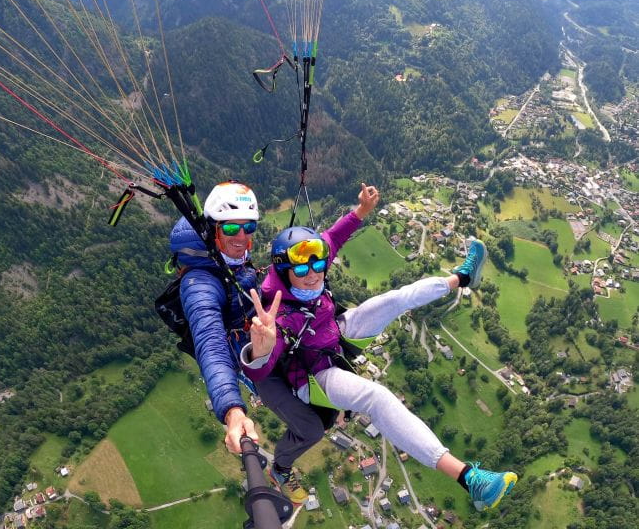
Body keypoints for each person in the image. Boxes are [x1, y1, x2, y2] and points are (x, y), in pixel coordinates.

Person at [241, 190, 517, 511]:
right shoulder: (279, 315)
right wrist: (261, 350)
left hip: (332, 335)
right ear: (285, 273)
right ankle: (470, 479)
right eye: (301, 271)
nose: (313, 273)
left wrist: (360, 211)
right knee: (377, 397)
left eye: (318, 264)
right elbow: (262, 372)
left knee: (395, 300)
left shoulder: (310, 260)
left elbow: (333, 238)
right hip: (315, 376)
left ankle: (463, 277)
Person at [169, 180, 262, 453]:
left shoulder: (227, 258)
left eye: (249, 227)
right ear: (212, 230)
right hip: (243, 353)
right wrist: (233, 410)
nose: (242, 236)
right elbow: (210, 344)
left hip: (254, 331)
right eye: (232, 227)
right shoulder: (199, 283)